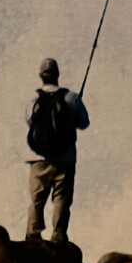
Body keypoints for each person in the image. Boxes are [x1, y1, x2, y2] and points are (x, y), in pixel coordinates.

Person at [25, 57, 90, 243]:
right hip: (65, 157)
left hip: (38, 157)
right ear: (58, 75)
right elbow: (84, 124)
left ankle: (33, 234)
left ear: (40, 75)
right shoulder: (72, 97)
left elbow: (29, 122)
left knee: (37, 198)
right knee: (61, 198)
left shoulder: (33, 98)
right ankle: (58, 234)